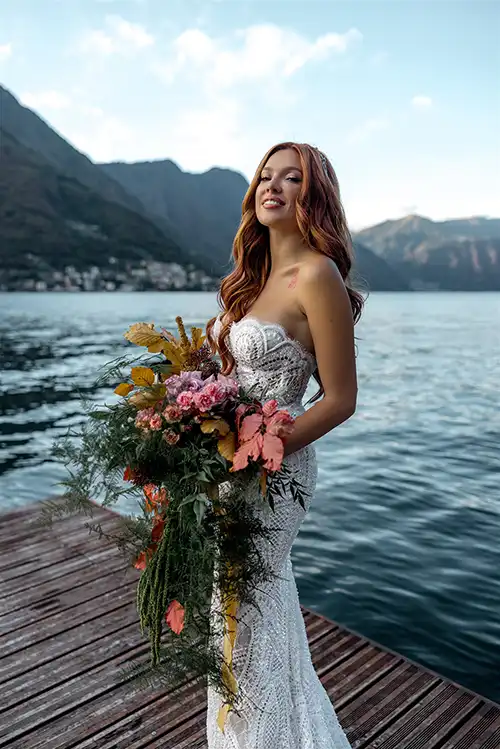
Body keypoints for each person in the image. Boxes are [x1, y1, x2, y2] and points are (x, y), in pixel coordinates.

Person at [205, 141, 362, 748]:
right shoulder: (252, 282)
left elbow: (341, 397)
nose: (272, 185)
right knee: (230, 611)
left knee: (254, 607)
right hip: (225, 467)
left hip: (277, 472)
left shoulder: (316, 275)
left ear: (313, 193)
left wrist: (260, 450)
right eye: (265, 177)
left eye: (291, 178)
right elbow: (226, 381)